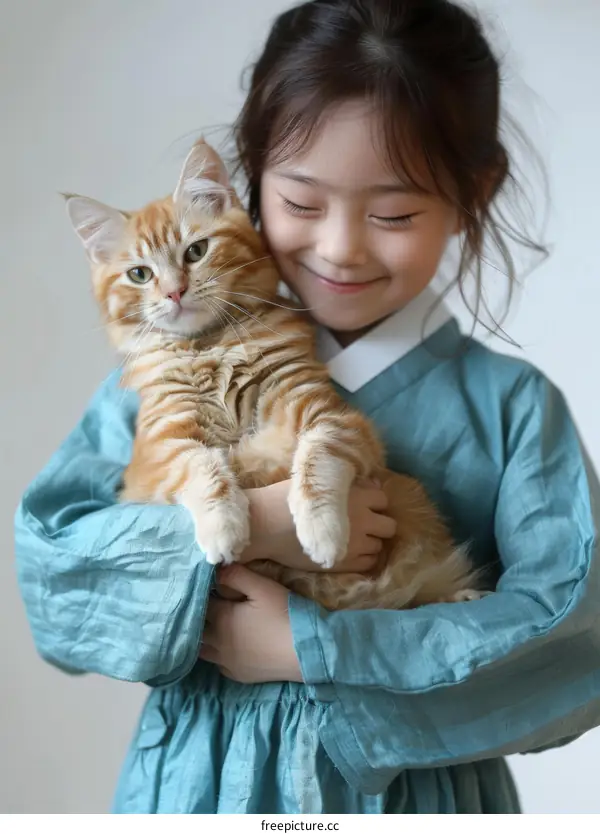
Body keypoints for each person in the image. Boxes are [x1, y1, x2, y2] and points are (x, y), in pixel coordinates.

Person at [15, 0, 600, 814]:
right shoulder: (160, 377)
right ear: (246, 181)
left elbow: (575, 647)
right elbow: (57, 578)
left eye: (392, 213)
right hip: (200, 789)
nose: (339, 248)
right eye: (300, 202)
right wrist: (254, 519)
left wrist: (313, 648)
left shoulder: (511, 407)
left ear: (476, 188)